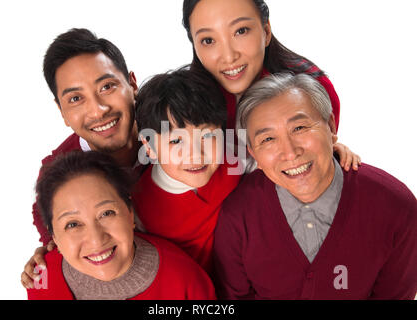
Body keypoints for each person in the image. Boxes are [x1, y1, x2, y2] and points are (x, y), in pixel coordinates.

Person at [213, 73, 417, 299]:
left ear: (330, 126)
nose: (290, 152)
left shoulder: (396, 207)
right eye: (268, 139)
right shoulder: (238, 214)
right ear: (253, 154)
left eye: (299, 128)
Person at [21, 28, 141, 288]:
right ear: (61, 111)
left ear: (132, 84)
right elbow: (48, 220)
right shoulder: (59, 170)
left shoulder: (178, 132)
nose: (98, 111)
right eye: (76, 98)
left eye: (107, 87)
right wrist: (52, 249)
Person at [182, 0, 360, 171]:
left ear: (266, 31)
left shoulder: (308, 90)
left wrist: (330, 151)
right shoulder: (182, 103)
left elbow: (308, 161)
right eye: (208, 40)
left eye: (241, 31)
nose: (229, 57)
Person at [27, 151, 216, 300]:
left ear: (130, 213)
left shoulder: (184, 279)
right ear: (54, 238)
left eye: (107, 213)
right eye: (73, 224)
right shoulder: (41, 278)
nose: (96, 239)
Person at [133, 68, 241, 275]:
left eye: (207, 136)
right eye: (175, 141)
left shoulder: (234, 162)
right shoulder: (138, 207)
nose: (195, 154)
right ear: (149, 148)